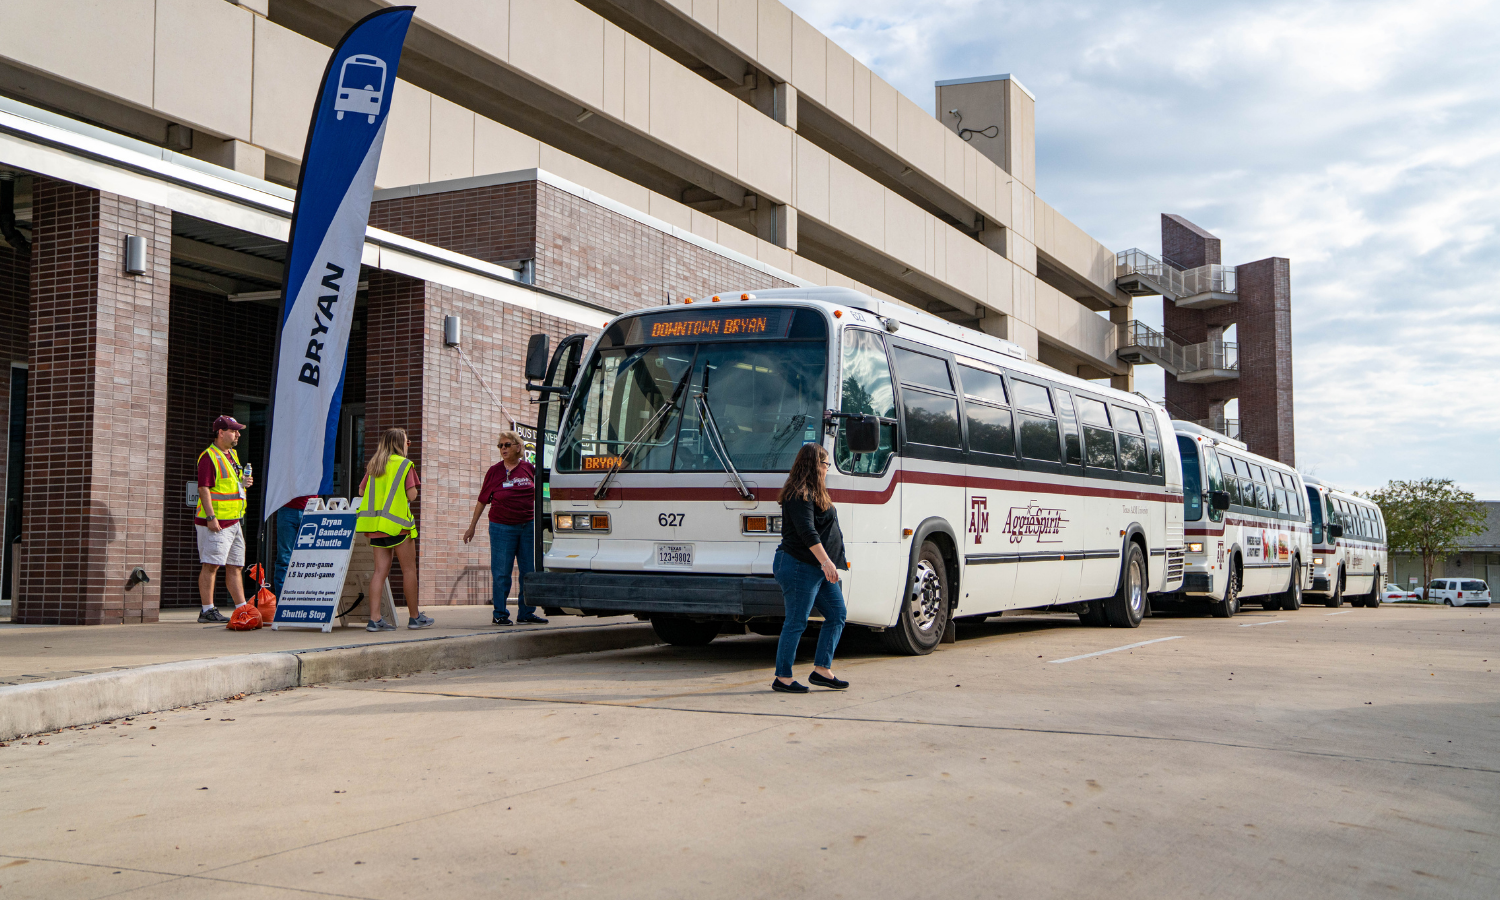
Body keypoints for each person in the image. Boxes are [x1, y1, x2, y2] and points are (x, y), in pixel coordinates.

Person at [771, 443, 849, 693]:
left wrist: (829, 562)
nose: (827, 469)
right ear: (815, 465)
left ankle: (821, 670)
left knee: (837, 614)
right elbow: (807, 532)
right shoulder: (799, 493)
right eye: (826, 464)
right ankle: (782, 677)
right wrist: (827, 562)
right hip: (798, 565)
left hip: (818, 567)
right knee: (796, 621)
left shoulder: (815, 492)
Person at [464, 430, 546, 625]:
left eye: (507, 445)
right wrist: (472, 526)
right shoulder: (495, 471)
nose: (503, 449)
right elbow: (482, 500)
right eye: (500, 446)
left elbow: (540, 494)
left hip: (527, 526)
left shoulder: (528, 468)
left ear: (518, 447)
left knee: (527, 571)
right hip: (502, 527)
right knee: (502, 572)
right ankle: (500, 613)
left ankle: (526, 613)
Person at [355, 427, 432, 631]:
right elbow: (413, 495)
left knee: (379, 571)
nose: (409, 445)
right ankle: (415, 617)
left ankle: (375, 619)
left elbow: (362, 491)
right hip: (398, 527)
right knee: (408, 570)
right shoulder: (405, 465)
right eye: (407, 442)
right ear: (400, 444)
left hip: (376, 526)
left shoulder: (374, 465)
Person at [196, 415, 254, 624]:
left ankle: (242, 608)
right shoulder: (208, 456)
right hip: (216, 522)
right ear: (221, 433)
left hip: (234, 520)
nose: (238, 434)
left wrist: (244, 482)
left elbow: (230, 483)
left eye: (238, 431)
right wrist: (211, 517)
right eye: (233, 430)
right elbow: (204, 488)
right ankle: (207, 610)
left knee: (236, 565)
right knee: (211, 565)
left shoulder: (233, 455)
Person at [272, 495, 316, 600]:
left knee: (309, 560)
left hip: (311, 509)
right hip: (288, 508)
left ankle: (306, 600)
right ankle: (282, 603)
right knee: (284, 558)